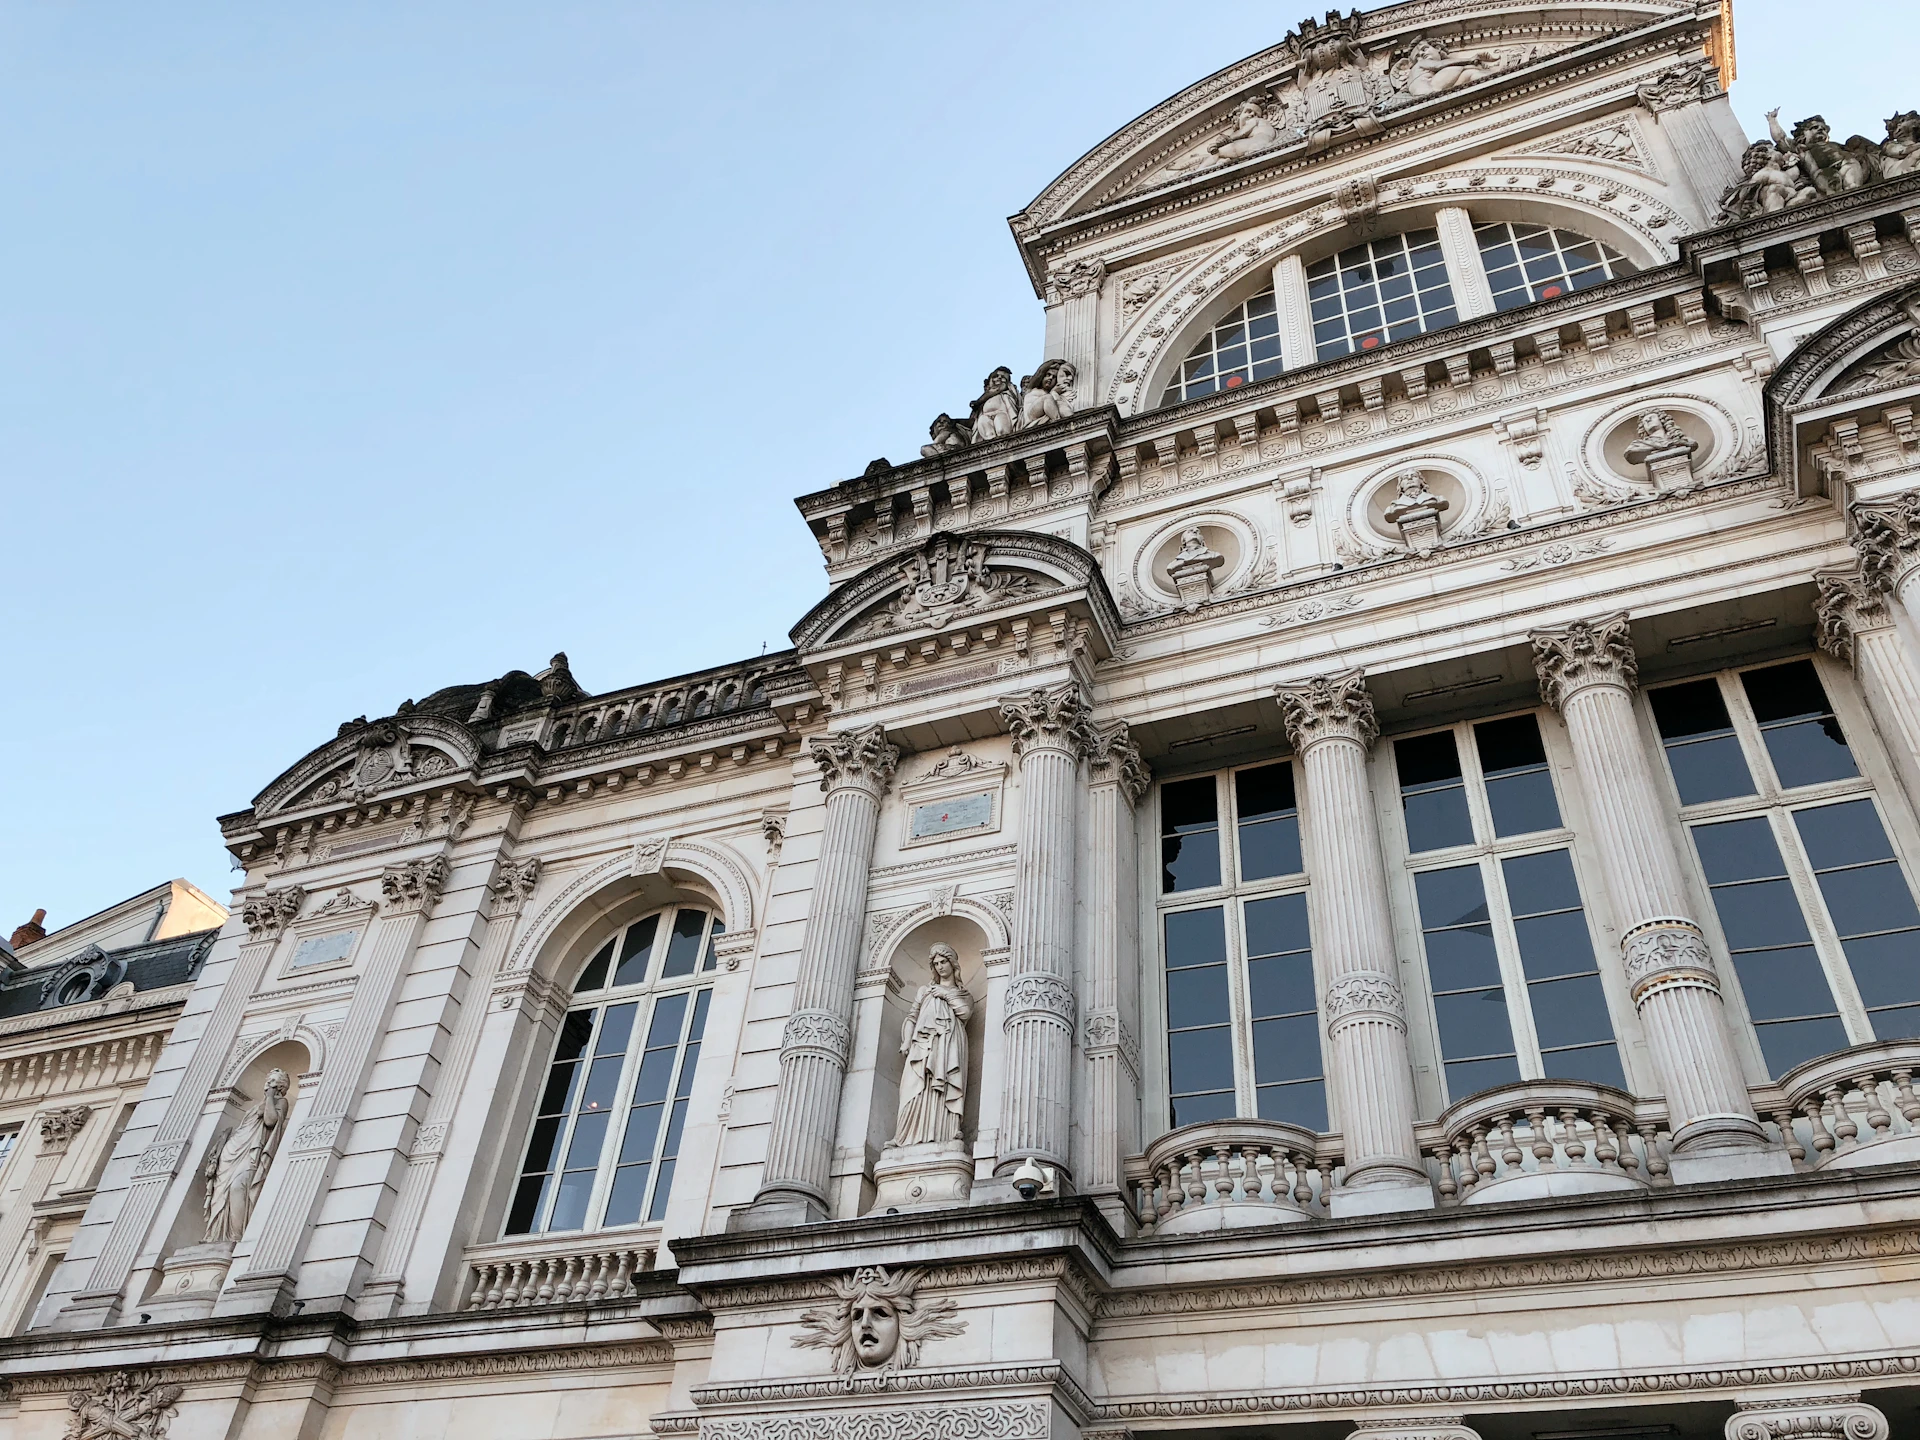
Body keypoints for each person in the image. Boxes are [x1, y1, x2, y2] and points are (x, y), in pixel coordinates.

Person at [892, 945, 973, 1147]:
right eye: (936, 964)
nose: (939, 967)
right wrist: (906, 1040)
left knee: (944, 1084)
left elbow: (965, 1012)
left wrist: (945, 994)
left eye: (943, 962)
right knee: (914, 1085)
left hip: (948, 1043)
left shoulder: (962, 994)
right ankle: (906, 1134)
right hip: (922, 1043)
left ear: (952, 964)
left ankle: (946, 1133)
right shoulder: (924, 991)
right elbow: (912, 1016)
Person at [202, 1068, 290, 1243]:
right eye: (268, 1079)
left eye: (273, 1081)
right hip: (232, 1153)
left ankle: (236, 1237)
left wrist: (271, 1097)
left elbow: (271, 1121)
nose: (268, 1083)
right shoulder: (256, 1106)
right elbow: (243, 1128)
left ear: (280, 1086)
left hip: (251, 1153)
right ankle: (216, 1236)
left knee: (238, 1187)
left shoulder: (282, 1102)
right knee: (221, 1195)